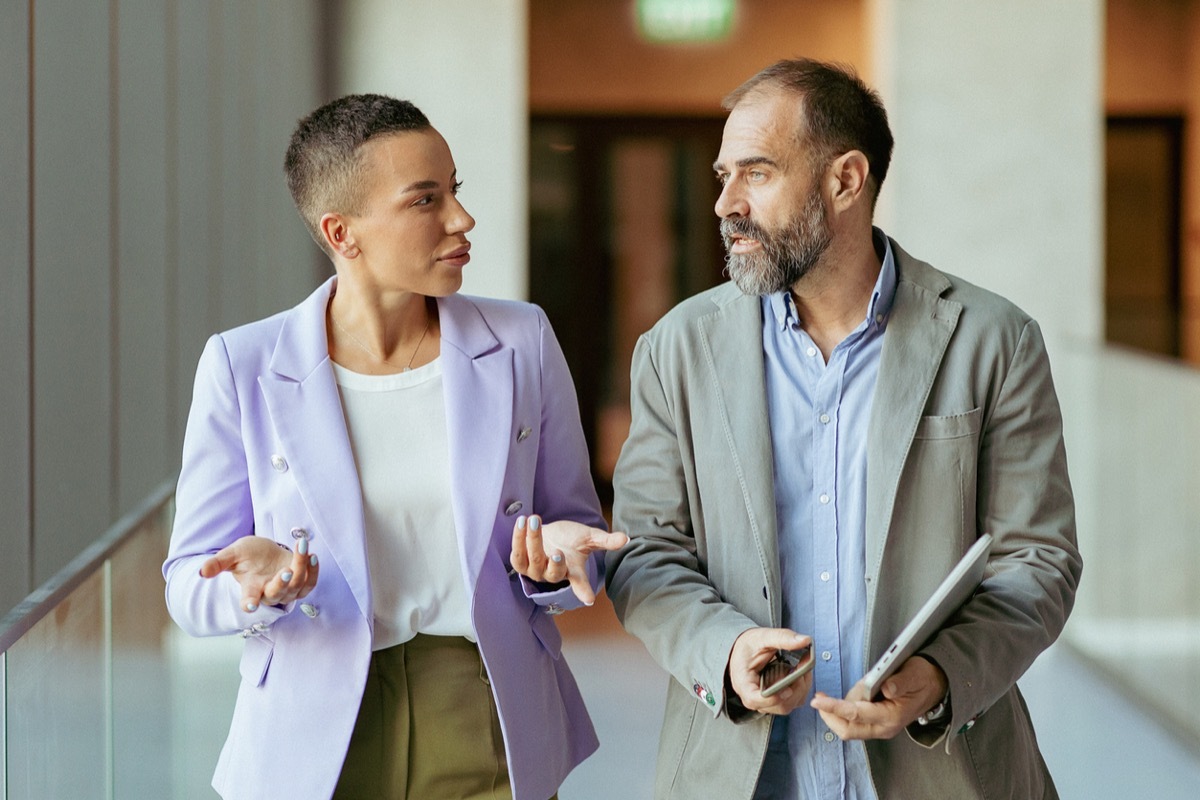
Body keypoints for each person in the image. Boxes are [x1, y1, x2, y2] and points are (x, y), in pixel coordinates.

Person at [603, 59, 1083, 799]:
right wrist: (724, 650)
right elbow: (646, 553)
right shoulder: (677, 348)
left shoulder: (994, 339)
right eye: (722, 176)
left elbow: (1037, 562)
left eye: (756, 174)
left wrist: (941, 676)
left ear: (846, 180)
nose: (726, 202)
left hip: (947, 773)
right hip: (740, 776)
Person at [162, 93, 626, 800]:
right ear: (341, 232)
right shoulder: (243, 364)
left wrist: (556, 562)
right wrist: (253, 586)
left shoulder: (522, 340)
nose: (462, 219)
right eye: (426, 200)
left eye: (457, 192)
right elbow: (186, 584)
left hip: (487, 709)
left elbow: (573, 525)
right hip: (312, 726)